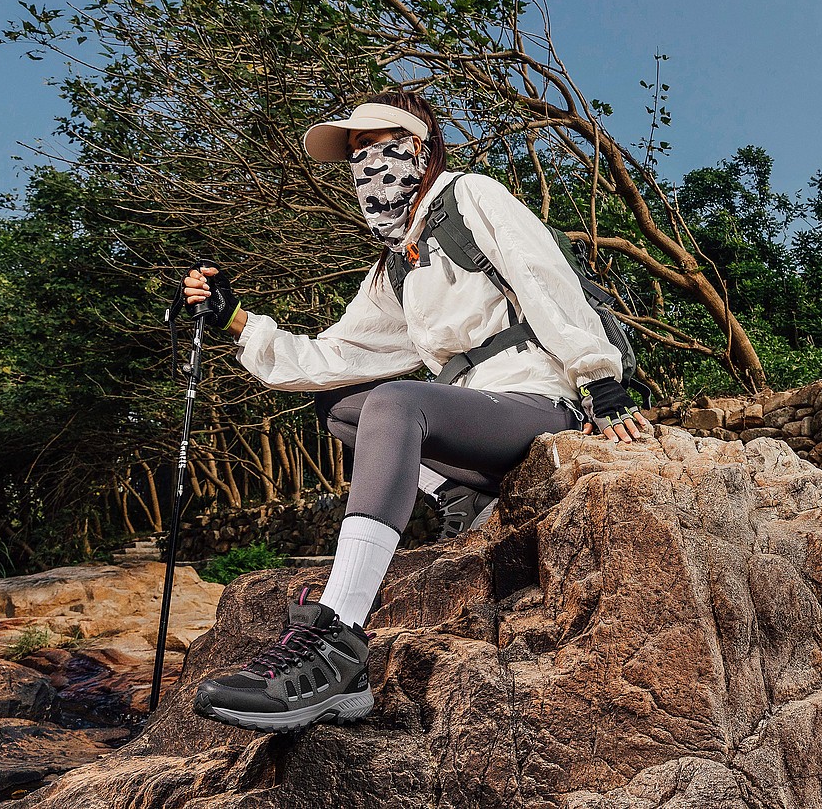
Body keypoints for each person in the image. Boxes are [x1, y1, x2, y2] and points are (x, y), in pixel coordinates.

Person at [182, 90, 651, 732]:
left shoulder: (470, 197)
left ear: (419, 149)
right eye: (355, 154)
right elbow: (332, 356)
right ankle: (468, 499)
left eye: (378, 145)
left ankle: (337, 641)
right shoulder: (396, 266)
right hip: (477, 418)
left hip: (541, 400)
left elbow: (543, 276)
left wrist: (601, 383)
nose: (366, 164)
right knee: (342, 408)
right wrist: (235, 320)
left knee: (396, 402)